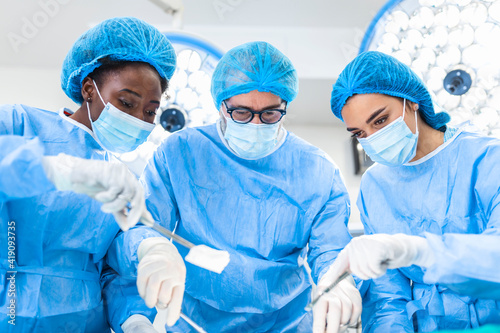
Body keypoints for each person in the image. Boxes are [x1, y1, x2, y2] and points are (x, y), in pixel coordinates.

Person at [105, 41, 361, 333]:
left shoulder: (317, 170)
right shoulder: (181, 153)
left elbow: (330, 249)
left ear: (285, 107)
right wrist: (149, 249)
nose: (255, 124)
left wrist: (338, 281)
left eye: (270, 114)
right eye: (240, 113)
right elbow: (141, 225)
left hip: (286, 322)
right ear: (220, 106)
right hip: (194, 321)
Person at [0, 16, 176, 332]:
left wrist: (135, 316)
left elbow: (114, 269)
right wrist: (55, 169)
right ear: (88, 90)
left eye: (149, 112)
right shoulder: (18, 123)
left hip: (81, 322)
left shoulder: (124, 182)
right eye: (126, 102)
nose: (138, 119)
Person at [329, 51, 500, 332]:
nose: (372, 138)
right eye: (359, 133)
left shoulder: (487, 160)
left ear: (412, 102)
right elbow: (389, 299)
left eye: (380, 121)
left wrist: (419, 251)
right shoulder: (375, 188)